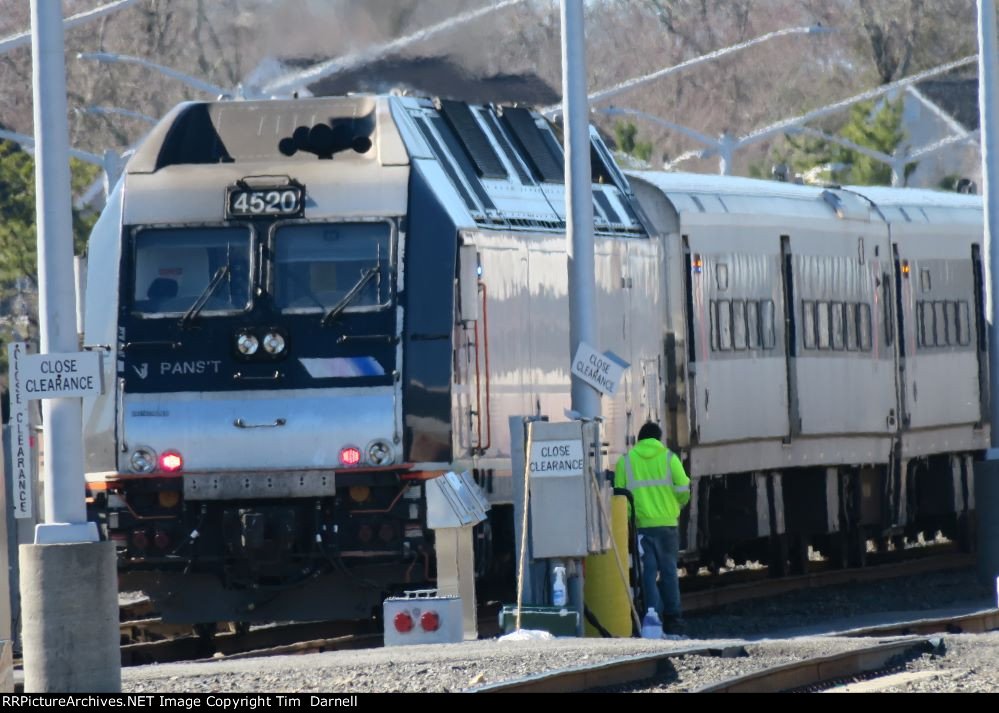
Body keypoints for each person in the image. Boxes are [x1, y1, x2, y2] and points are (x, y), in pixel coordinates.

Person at [614, 421, 691, 636]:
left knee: (647, 574)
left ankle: (652, 616)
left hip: (642, 528)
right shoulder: (669, 458)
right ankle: (674, 619)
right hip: (667, 526)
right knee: (669, 572)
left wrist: (630, 520)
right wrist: (676, 505)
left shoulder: (626, 462)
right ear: (658, 438)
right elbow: (684, 487)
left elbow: (620, 497)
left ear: (639, 439)